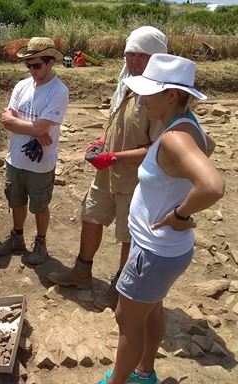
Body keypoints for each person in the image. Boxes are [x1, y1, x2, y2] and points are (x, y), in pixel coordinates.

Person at [98, 54, 225, 384]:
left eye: (147, 93)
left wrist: (179, 213)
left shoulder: (174, 136)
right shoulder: (186, 127)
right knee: (152, 308)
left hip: (154, 253)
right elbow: (206, 147)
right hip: (163, 249)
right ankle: (144, 372)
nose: (140, 101)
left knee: (127, 320)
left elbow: (213, 186)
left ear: (171, 95)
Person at [48, 26, 168, 309]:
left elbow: (158, 148)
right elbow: (116, 126)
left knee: (129, 234)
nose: (134, 61)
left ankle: (121, 285)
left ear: (158, 57)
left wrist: (115, 157)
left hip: (137, 180)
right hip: (108, 172)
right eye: (130, 54)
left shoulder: (160, 95)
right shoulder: (125, 84)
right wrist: (101, 143)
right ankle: (81, 272)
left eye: (142, 55)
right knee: (90, 215)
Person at [0, 37, 69, 265]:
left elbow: (28, 124)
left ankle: (41, 242)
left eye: (36, 65)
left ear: (50, 63)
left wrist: (35, 128)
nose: (32, 70)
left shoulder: (58, 91)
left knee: (40, 205)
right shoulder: (21, 86)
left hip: (41, 163)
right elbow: (6, 120)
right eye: (28, 65)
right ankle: (17, 237)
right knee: (15, 200)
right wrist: (36, 131)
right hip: (16, 158)